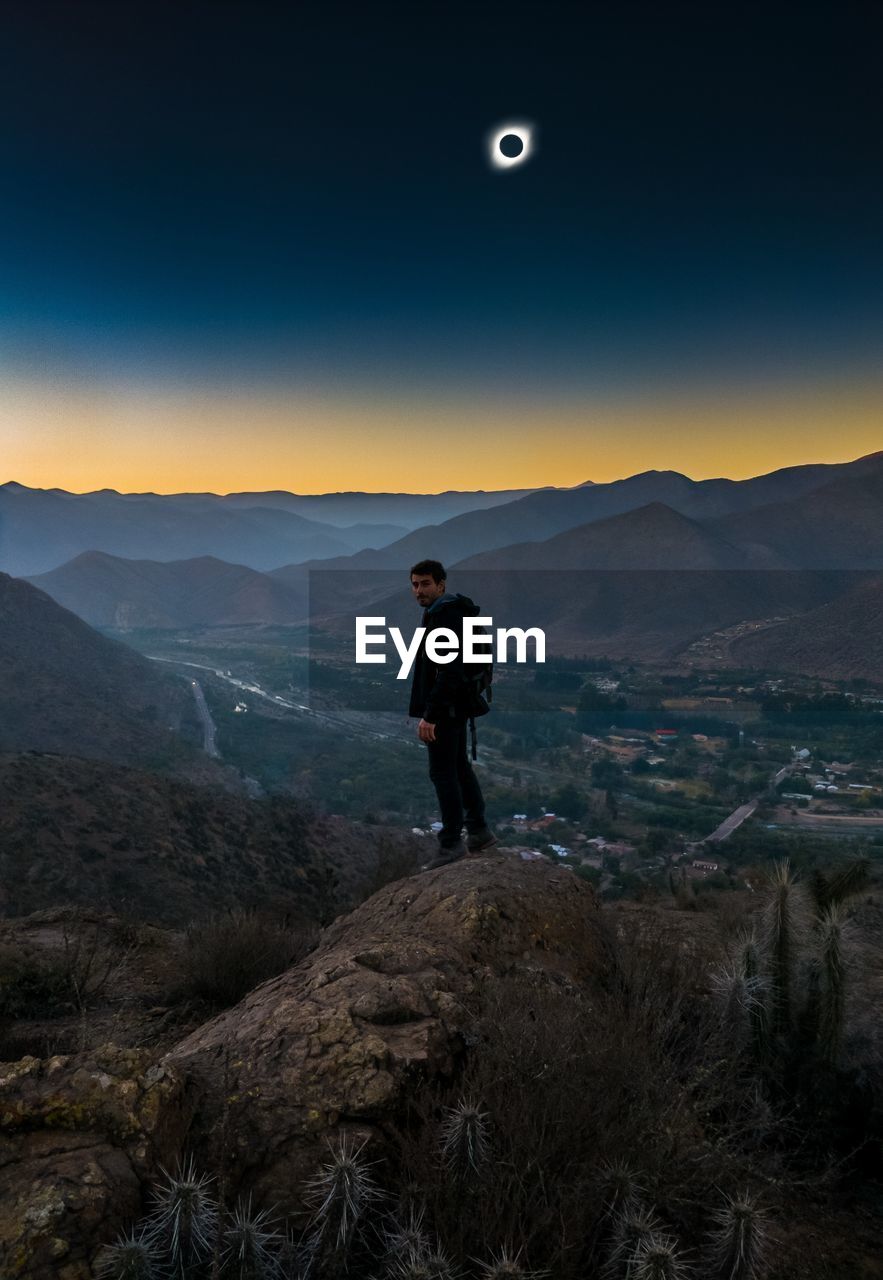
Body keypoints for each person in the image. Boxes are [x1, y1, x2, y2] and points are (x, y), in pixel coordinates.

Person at [408, 559, 497, 869]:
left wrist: (430, 715)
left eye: (425, 584)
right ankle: (478, 831)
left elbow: (449, 671)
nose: (419, 590)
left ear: (441, 584)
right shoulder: (450, 612)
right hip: (457, 706)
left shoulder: (445, 616)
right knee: (458, 767)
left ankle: (450, 844)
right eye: (415, 584)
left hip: (446, 710)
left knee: (442, 773)